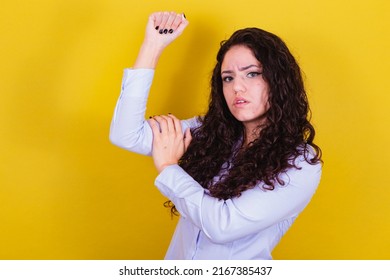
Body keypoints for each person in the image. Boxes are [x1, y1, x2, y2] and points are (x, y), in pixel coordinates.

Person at [109, 11, 322, 260]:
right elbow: (126, 134)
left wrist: (168, 166)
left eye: (252, 73)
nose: (236, 87)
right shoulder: (211, 133)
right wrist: (152, 47)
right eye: (227, 78)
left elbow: (223, 226)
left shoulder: (300, 163)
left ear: (278, 80)